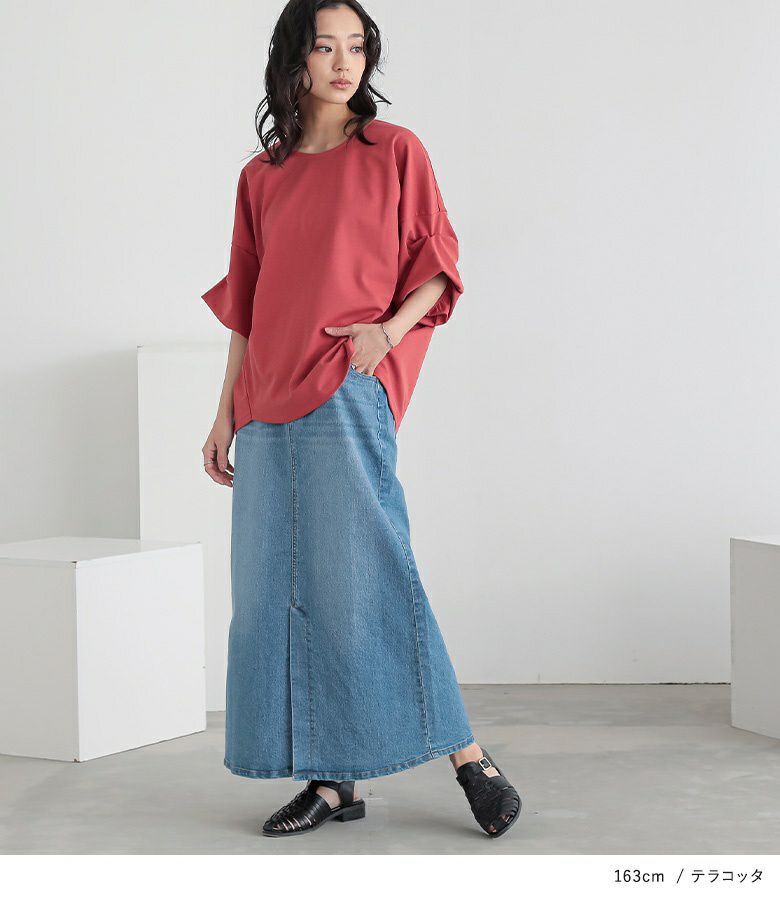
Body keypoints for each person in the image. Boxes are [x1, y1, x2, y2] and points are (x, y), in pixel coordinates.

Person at [200, 0, 521, 839]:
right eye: (325, 47)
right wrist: (223, 414)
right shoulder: (260, 177)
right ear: (295, 59)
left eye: (357, 47)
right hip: (263, 402)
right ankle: (331, 782)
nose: (344, 63)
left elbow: (438, 261)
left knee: (367, 578)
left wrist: (388, 329)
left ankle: (469, 757)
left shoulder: (394, 151)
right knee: (273, 595)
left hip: (345, 388)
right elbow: (246, 309)